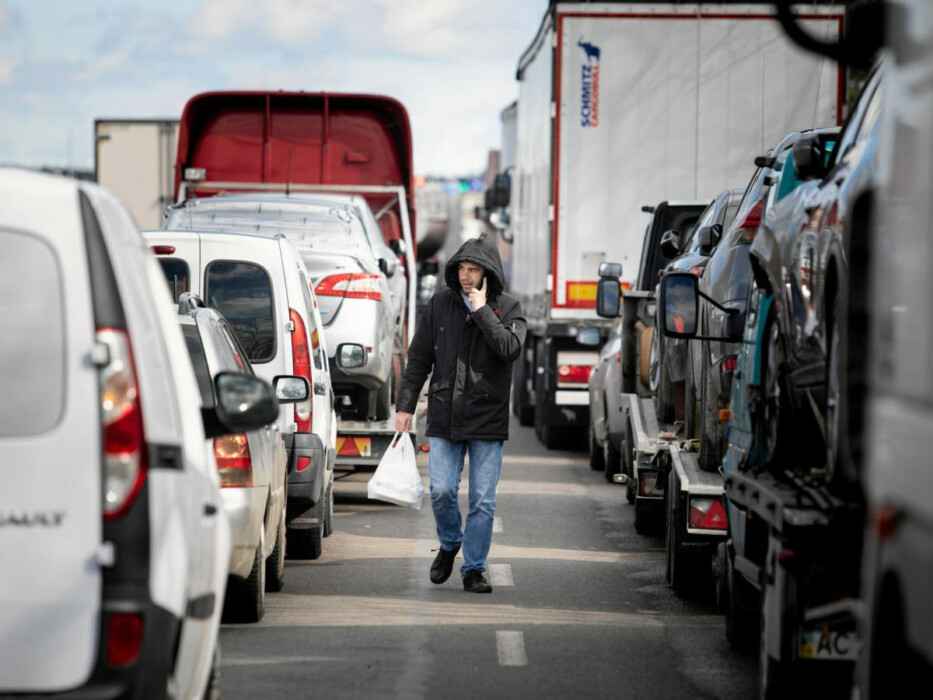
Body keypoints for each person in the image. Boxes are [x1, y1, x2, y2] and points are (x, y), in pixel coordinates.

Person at [395, 235, 527, 593]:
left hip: (488, 418)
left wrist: (482, 310)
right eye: (462, 269)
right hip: (445, 414)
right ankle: (451, 542)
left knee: (483, 500)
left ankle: (474, 568)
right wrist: (405, 406)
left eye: (474, 270)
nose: (466, 276)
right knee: (440, 491)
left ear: (488, 273)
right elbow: (419, 358)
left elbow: (509, 349)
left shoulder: (509, 308)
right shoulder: (439, 305)